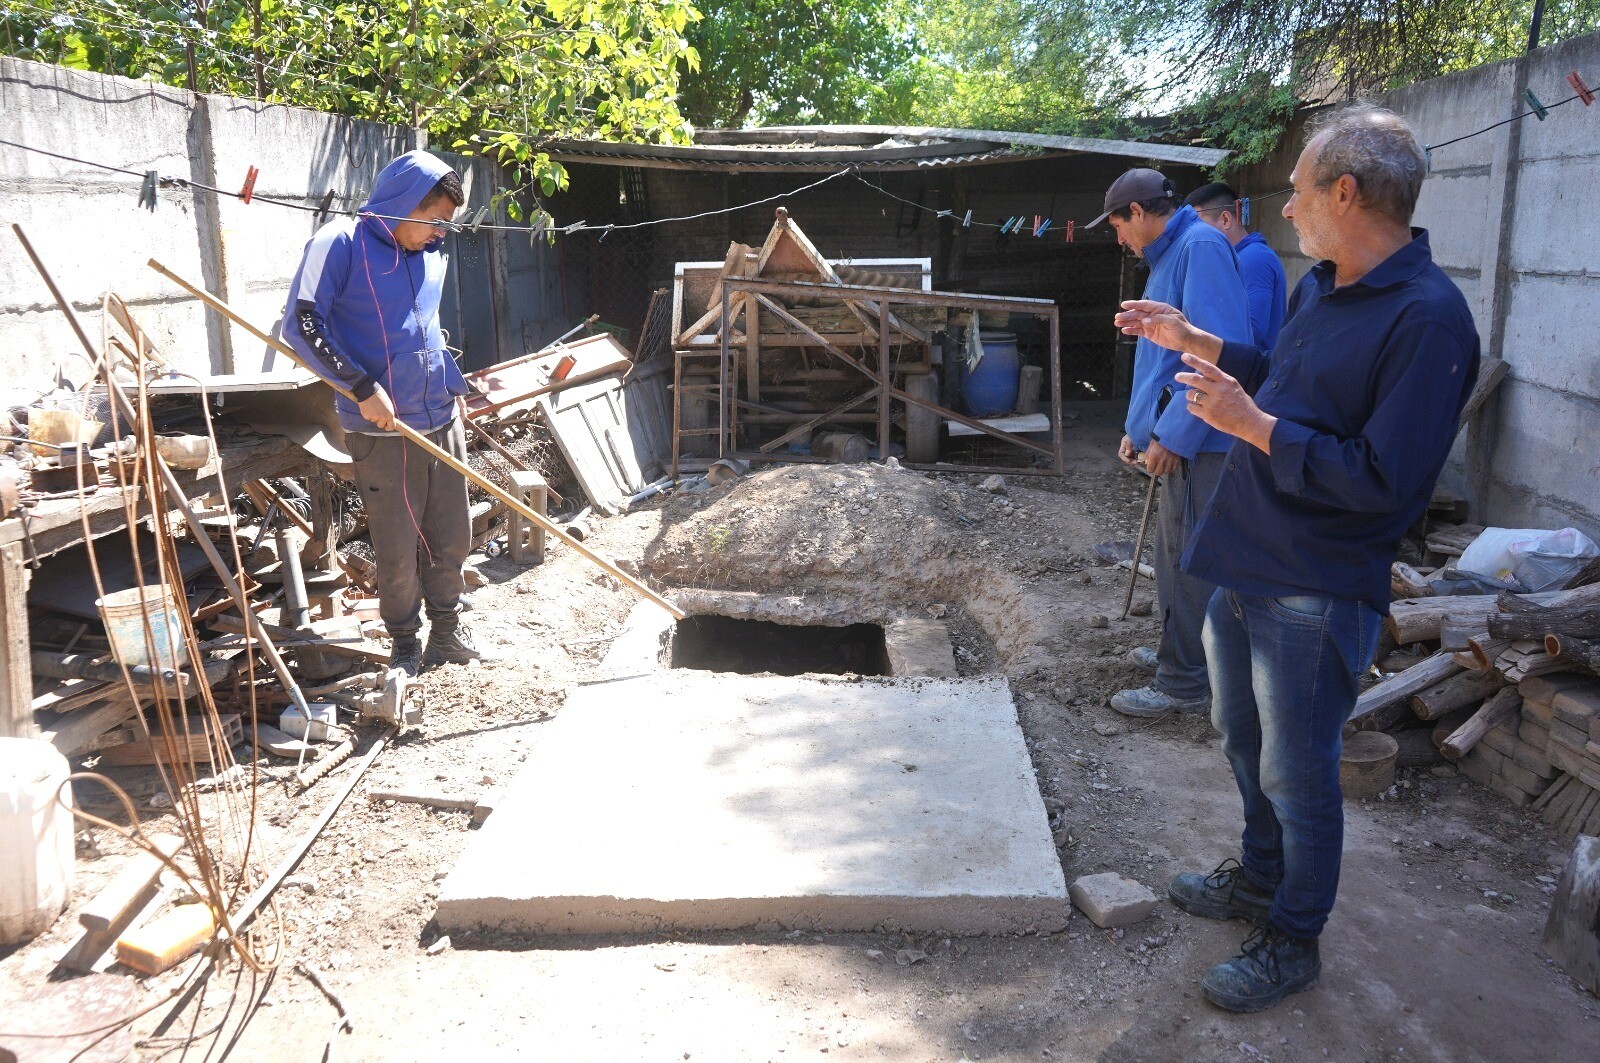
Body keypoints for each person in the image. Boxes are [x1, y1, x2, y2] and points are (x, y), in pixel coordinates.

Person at [1114, 104, 1478, 1012]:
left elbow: (1386, 482)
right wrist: (1193, 342)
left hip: (1315, 588)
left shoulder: (1430, 320)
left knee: (1299, 766)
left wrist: (1254, 425)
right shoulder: (1325, 283)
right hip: (1249, 556)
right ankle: (1258, 878)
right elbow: (1278, 370)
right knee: (1242, 736)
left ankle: (1293, 934)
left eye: (1300, 187)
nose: (1287, 204)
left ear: (1345, 192)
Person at [281, 149, 486, 677]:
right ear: (402, 204)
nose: (441, 233)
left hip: (440, 415)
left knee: (453, 535)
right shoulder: (340, 243)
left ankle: (446, 630)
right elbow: (303, 324)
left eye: (447, 223)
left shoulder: (429, 253)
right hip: (381, 425)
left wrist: (447, 383)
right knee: (396, 545)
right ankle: (405, 644)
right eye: (435, 219)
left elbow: (422, 328)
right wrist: (360, 386)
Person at [1086, 168, 1253, 719]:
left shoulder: (1199, 245)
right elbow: (1161, 359)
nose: (1118, 240)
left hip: (1202, 442)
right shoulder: (1172, 254)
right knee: (1171, 554)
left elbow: (1216, 355)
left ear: (1137, 212)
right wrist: (1141, 429)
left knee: (1188, 562)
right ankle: (1175, 650)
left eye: (1117, 226)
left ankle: (1183, 680)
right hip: (1181, 436)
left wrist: (1176, 436)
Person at [1184, 182, 1289, 349]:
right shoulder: (1234, 258)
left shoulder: (1254, 258)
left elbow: (1253, 329)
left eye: (1198, 225)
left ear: (1226, 219)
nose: (1193, 234)